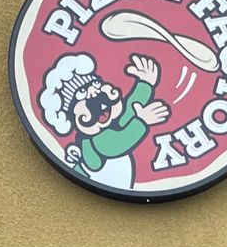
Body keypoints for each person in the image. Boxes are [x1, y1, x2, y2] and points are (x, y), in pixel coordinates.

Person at [38, 52, 170, 191]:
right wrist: (141, 122)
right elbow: (117, 143)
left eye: (95, 84)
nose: (94, 93)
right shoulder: (94, 140)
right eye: (82, 93)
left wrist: (145, 83)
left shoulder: (109, 126)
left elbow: (130, 108)